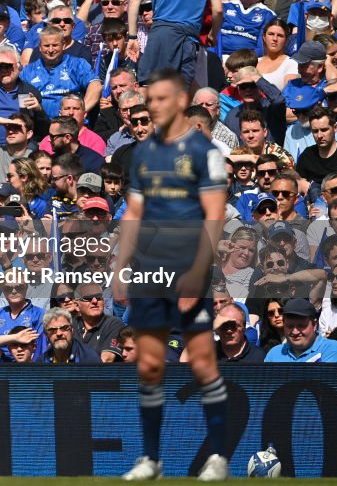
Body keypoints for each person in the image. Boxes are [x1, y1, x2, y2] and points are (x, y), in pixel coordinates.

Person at [115, 69, 230, 481]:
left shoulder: (205, 151)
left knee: (201, 362)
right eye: (151, 101)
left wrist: (197, 274)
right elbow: (133, 211)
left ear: (181, 101)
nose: (154, 108)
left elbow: (214, 215)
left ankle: (218, 455)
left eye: (161, 99)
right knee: (148, 365)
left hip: (188, 267)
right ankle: (151, 459)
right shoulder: (144, 152)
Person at [264, 298, 337, 362]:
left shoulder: (331, 348)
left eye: (301, 326)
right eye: (289, 326)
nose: (295, 332)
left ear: (314, 324)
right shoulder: (274, 354)